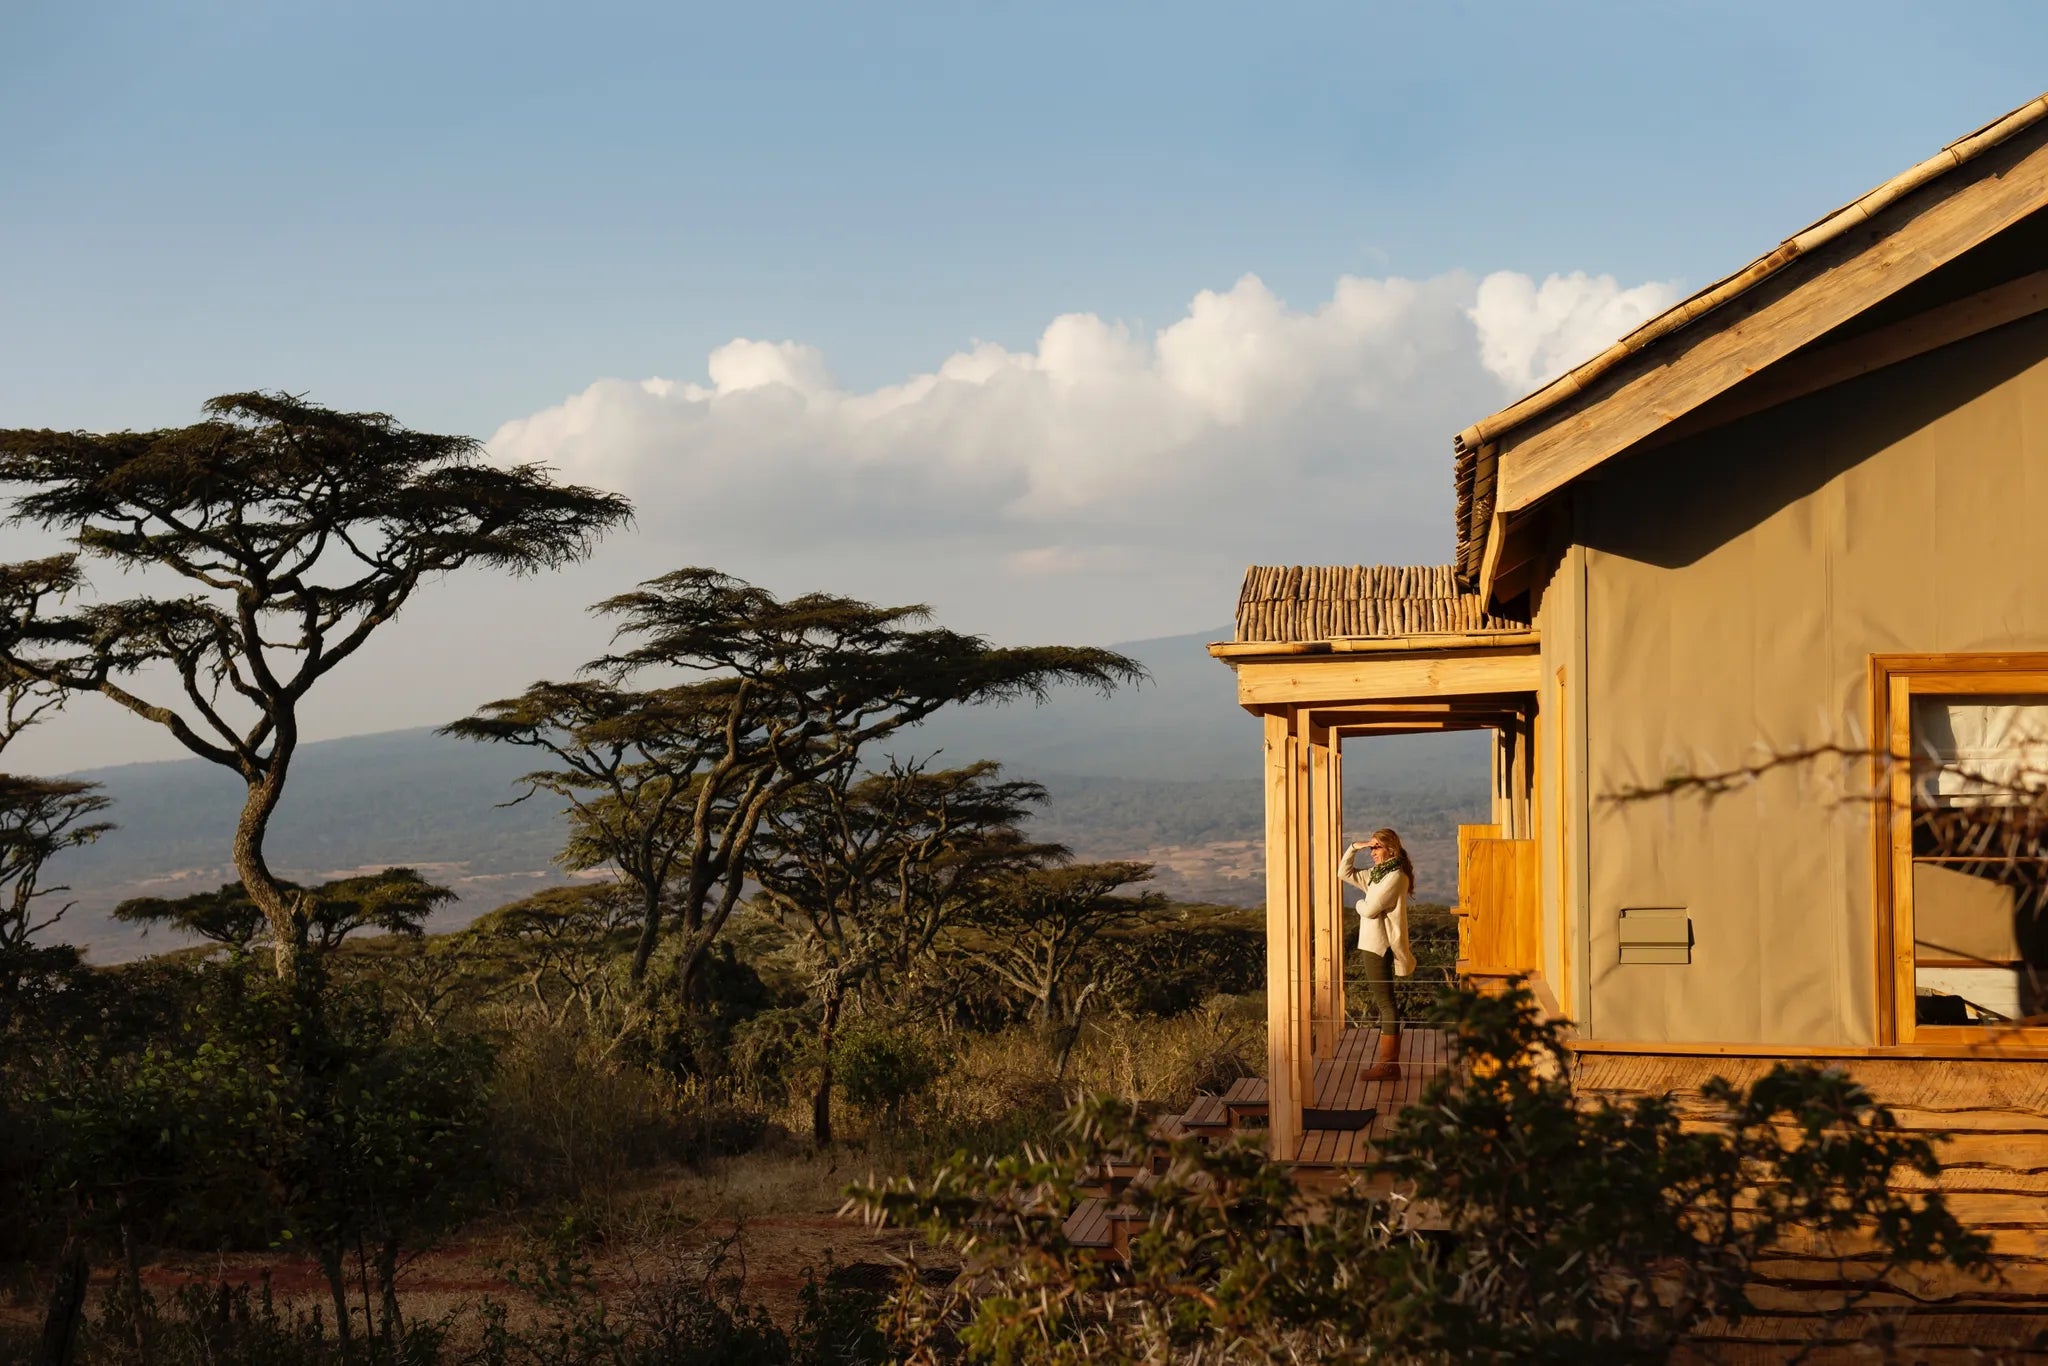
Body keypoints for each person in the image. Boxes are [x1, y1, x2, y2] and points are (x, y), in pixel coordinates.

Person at [1339, 827, 1414, 1082]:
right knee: (1385, 1003)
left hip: (1379, 945)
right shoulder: (1378, 874)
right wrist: (1354, 847)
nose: (1372, 853)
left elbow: (1370, 909)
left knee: (1386, 1003)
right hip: (1370, 944)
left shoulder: (1395, 876)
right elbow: (1343, 873)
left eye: (1376, 847)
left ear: (1391, 849)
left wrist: (1358, 905)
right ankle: (1388, 1064)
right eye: (1371, 848)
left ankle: (1389, 1065)